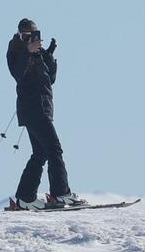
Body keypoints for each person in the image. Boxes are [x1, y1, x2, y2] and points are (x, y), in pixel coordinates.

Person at [5, 18, 85, 210]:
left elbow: (51, 79)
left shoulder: (38, 54)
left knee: (40, 153)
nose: (30, 39)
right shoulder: (16, 51)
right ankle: (61, 194)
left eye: (33, 35)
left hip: (43, 108)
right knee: (54, 149)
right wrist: (28, 52)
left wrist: (48, 55)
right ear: (19, 35)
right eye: (26, 35)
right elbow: (18, 74)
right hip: (32, 109)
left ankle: (25, 197)